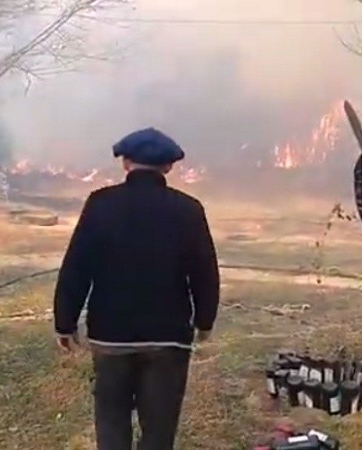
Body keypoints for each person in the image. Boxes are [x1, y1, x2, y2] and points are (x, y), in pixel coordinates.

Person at [53, 127, 220, 450]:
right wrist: (204, 320)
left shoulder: (100, 204)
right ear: (168, 166)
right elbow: (204, 270)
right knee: (159, 427)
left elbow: (77, 265)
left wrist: (65, 321)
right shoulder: (188, 209)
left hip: (111, 335)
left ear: (126, 163)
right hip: (168, 337)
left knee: (111, 419)